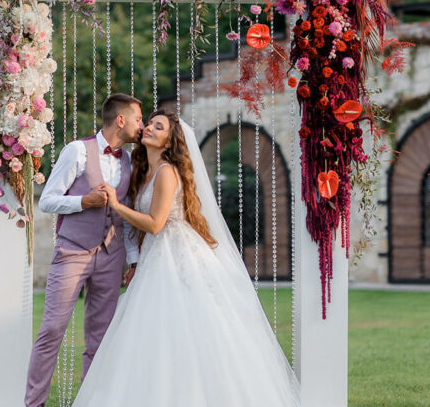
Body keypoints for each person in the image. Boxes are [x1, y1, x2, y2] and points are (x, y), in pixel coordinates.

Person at [71, 109, 303, 406]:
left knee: (189, 326)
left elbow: (155, 223)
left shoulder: (167, 172)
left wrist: (115, 204)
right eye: (149, 124)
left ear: (170, 141)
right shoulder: (145, 172)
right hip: (155, 256)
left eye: (158, 127)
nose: (149, 129)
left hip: (177, 254)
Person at [25, 93, 144, 407]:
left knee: (100, 338)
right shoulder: (77, 151)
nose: (141, 125)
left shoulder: (130, 161)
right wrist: (84, 202)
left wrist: (132, 260)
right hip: (73, 251)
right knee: (52, 329)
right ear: (121, 120)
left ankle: (91, 402)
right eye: (138, 119)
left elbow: (126, 216)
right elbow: (47, 200)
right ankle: (33, 404)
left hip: (112, 255)